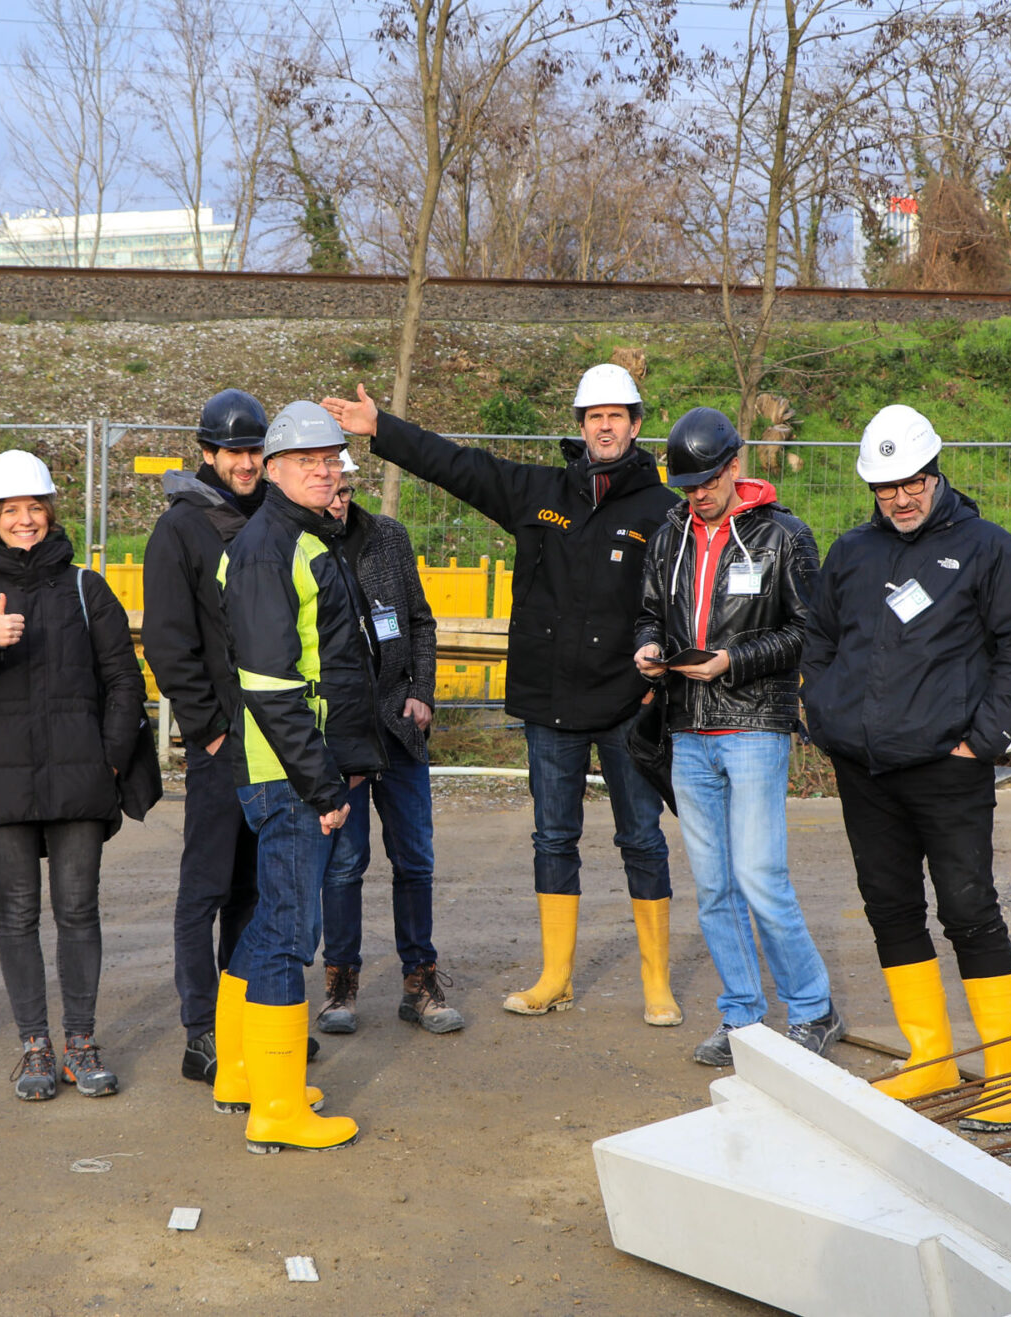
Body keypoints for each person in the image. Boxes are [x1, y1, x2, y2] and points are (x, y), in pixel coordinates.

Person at [323, 368, 683, 1027]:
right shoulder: (538, 491)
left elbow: (682, 602)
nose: (604, 425)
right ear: (580, 427)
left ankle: (656, 982)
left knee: (641, 837)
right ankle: (555, 976)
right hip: (551, 705)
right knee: (553, 837)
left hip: (632, 703)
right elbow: (458, 465)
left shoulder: (662, 510)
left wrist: (667, 667)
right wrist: (383, 430)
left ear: (635, 425)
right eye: (593, 415)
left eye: (617, 415)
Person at [801, 404, 1011, 1130]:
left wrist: (982, 740)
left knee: (970, 910)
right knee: (891, 908)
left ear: (935, 472)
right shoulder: (850, 554)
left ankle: (1008, 1073)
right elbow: (818, 637)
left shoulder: (987, 549)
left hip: (949, 768)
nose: (901, 499)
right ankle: (931, 1057)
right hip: (866, 769)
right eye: (885, 488)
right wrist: (825, 713)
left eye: (911, 482)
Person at [0, 449, 146, 1102]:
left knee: (78, 909)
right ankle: (35, 1046)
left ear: (51, 512)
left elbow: (123, 680)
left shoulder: (87, 587)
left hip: (80, 776)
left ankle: (81, 1040)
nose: (25, 520)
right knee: (18, 912)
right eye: (11, 510)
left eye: (35, 508)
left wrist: (108, 758)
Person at [632, 408, 843, 1067]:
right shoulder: (669, 535)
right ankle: (743, 1016)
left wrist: (734, 661)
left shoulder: (786, 536)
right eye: (686, 485)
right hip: (687, 727)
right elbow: (647, 610)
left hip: (753, 723)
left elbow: (811, 631)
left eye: (706, 482)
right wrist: (648, 646)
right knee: (715, 883)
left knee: (758, 874)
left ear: (735, 465)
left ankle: (813, 1006)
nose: (696, 495)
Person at [212, 401, 385, 1154]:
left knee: (267, 923)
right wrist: (322, 785)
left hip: (292, 764)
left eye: (333, 458)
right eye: (307, 459)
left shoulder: (301, 536)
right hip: (288, 770)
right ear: (274, 468)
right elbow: (273, 684)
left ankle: (245, 1074)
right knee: (289, 932)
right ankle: (277, 1108)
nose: (325, 469)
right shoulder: (267, 547)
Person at [140, 390, 269, 1086]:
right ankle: (202, 1032)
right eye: (235, 452)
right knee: (206, 889)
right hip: (224, 744)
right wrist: (210, 733)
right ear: (209, 454)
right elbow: (168, 643)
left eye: (255, 450)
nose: (246, 463)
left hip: (273, 739)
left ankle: (245, 1019)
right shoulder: (181, 530)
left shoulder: (273, 517)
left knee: (254, 890)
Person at [315, 451, 463, 1035]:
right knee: (344, 863)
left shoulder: (389, 539)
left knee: (415, 859)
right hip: (338, 732)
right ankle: (340, 983)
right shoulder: (297, 546)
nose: (338, 500)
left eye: (346, 489)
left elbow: (421, 622)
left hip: (398, 725)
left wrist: (422, 691)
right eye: (329, 489)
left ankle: (419, 980)